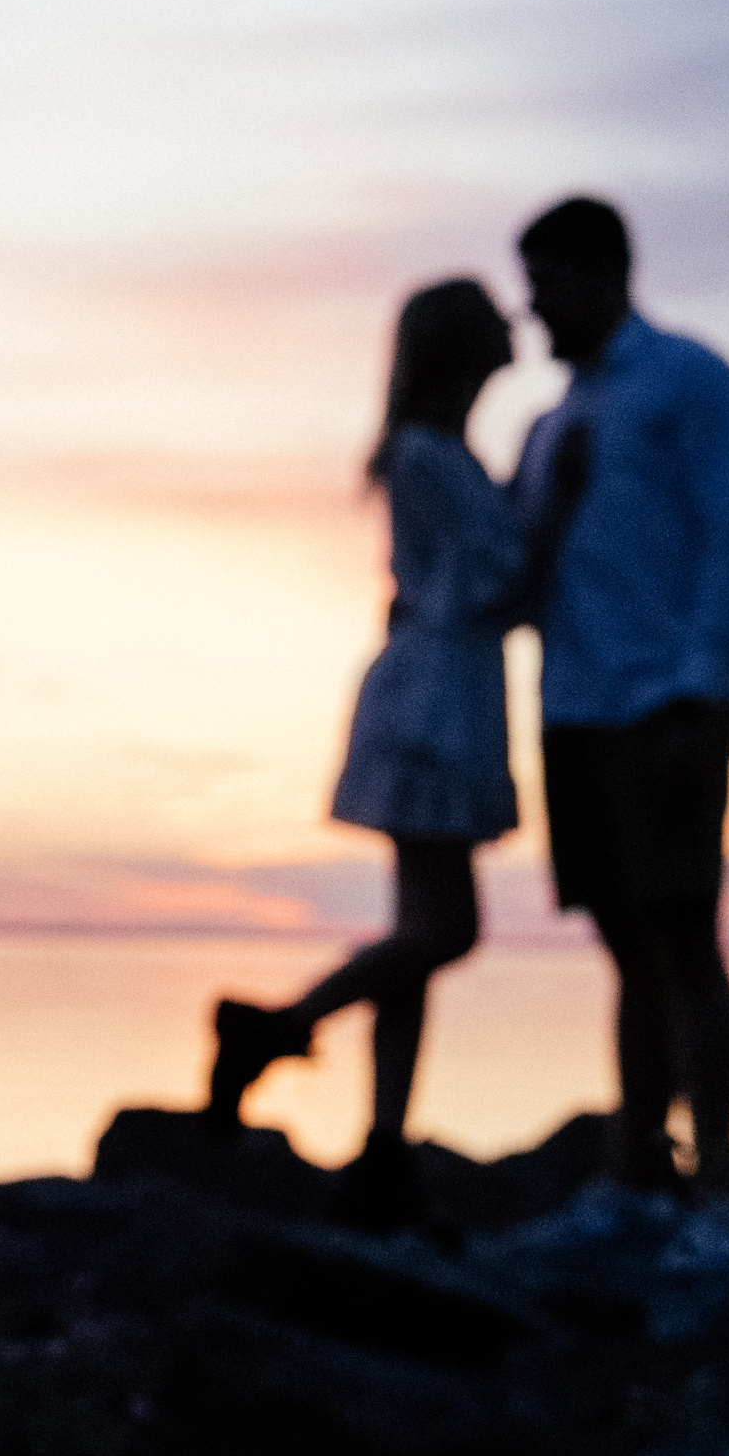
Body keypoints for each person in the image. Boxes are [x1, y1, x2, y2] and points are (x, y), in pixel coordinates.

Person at [201, 278, 583, 1225]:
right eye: (494, 319)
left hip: (444, 691)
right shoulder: (426, 457)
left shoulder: (442, 456)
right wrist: (561, 503)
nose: (513, 325)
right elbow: (504, 575)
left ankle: (382, 1144)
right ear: (462, 346)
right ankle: (276, 1027)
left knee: (420, 933)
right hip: (434, 701)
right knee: (444, 929)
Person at [510, 197, 729, 1192]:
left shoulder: (687, 383)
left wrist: (701, 690)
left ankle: (717, 1185)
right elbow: (520, 582)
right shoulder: (548, 427)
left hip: (663, 705)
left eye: (546, 285)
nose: (535, 310)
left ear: (602, 272)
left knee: (684, 937)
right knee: (625, 947)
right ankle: (633, 1180)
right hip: (572, 707)